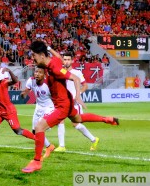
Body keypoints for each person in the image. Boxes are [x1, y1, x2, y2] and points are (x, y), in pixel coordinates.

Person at [21, 41, 119, 173]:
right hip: (65, 102)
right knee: (78, 119)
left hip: (62, 105)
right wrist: (49, 48)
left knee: (39, 127)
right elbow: (59, 58)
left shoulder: (54, 69)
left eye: (34, 55)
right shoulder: (53, 62)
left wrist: (78, 96)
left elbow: (75, 79)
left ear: (42, 55)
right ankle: (106, 119)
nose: (32, 58)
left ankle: (37, 161)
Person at [54, 52, 99, 152]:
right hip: (64, 102)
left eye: (68, 59)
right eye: (65, 59)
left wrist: (77, 95)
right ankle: (62, 146)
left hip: (74, 102)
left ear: (72, 61)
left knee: (76, 124)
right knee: (60, 120)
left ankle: (93, 139)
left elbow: (85, 85)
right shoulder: (60, 71)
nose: (66, 61)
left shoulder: (77, 72)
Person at [20, 67, 55, 160]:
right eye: (36, 72)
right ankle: (49, 146)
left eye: (40, 72)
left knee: (39, 128)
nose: (37, 74)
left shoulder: (49, 84)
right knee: (35, 132)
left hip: (49, 108)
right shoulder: (31, 81)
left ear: (44, 75)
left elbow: (56, 97)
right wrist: (23, 94)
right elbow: (26, 91)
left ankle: (38, 156)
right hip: (38, 107)